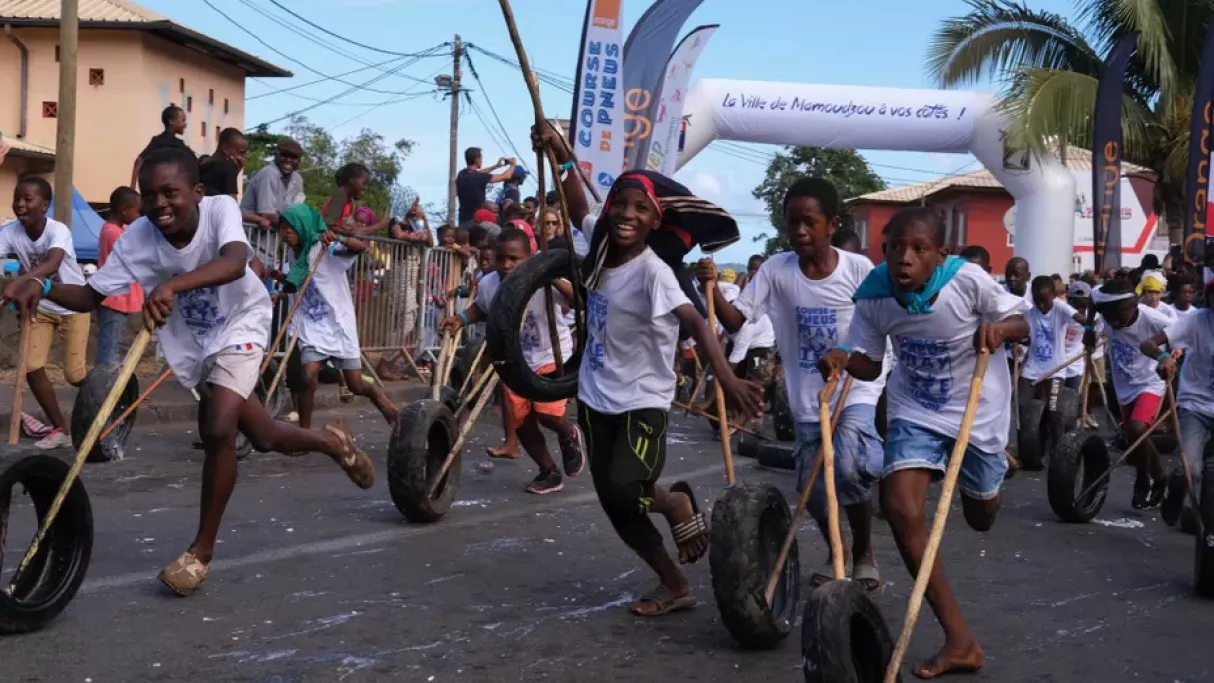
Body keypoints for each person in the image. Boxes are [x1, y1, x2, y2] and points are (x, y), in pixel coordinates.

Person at [12, 148, 375, 597]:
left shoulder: (220, 209)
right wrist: (42, 285)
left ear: (197, 193)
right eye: (150, 196)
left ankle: (199, 553)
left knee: (219, 426)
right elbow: (89, 297)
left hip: (242, 322)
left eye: (171, 193)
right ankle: (331, 441)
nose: (160, 204)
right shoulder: (136, 240)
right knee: (264, 437)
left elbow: (235, 261)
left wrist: (170, 285)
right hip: (194, 343)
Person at [818, 207, 1028, 678]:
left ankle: (995, 477)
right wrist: (842, 360)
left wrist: (999, 330)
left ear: (941, 255)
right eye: (894, 248)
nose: (904, 258)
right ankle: (960, 639)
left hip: (979, 412)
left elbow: (1023, 323)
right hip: (915, 410)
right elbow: (870, 363)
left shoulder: (967, 281)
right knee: (899, 507)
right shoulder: (873, 295)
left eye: (918, 250)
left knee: (981, 516)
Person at [579, 171, 762, 617]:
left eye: (641, 209)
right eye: (621, 204)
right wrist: (562, 158)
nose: (627, 214)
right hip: (592, 395)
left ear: (655, 221)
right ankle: (675, 584)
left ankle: (674, 502)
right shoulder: (600, 249)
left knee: (627, 489)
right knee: (616, 506)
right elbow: (576, 208)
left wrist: (727, 378)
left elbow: (698, 323)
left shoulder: (654, 273)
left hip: (641, 401)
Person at [702, 177, 886, 591]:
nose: (800, 231)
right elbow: (736, 322)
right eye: (792, 223)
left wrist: (854, 358)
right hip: (807, 394)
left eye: (809, 222)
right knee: (814, 489)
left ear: (831, 224)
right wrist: (708, 287)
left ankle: (863, 554)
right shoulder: (775, 269)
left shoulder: (859, 270)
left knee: (848, 465)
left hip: (855, 385)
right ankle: (836, 548)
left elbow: (883, 325)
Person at [441, 227, 585, 493]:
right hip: (516, 359)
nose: (507, 265)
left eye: (514, 259)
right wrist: (459, 320)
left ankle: (568, 433)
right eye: (501, 258)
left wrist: (550, 276)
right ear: (493, 257)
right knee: (520, 422)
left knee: (546, 414)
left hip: (551, 354)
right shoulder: (488, 283)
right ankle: (548, 471)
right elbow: (480, 309)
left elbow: (578, 301)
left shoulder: (541, 279)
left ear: (529, 258)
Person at [277, 205, 398, 429]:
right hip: (312, 325)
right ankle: (305, 432)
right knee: (308, 376)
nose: (286, 233)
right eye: (282, 229)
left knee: (355, 384)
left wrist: (339, 238)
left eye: (290, 227)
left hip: (338, 322)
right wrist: (277, 287)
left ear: (303, 226)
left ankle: (384, 404)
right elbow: (297, 283)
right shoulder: (293, 255)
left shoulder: (324, 246)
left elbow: (359, 248)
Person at [0, 177, 90, 449]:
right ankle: (60, 429)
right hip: (41, 307)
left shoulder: (57, 230)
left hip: (73, 305)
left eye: (28, 199)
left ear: (45, 205)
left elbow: (53, 263)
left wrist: (21, 282)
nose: (20, 205)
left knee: (75, 375)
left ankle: (107, 399)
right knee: (31, 367)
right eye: (17, 198)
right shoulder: (10, 232)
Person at [1089, 279, 1172, 509]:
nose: (1112, 322)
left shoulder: (1152, 318)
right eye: (1108, 317)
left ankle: (1152, 478)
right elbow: (1092, 299)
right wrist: (1088, 328)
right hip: (1124, 383)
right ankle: (1146, 476)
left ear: (1132, 307)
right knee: (1132, 438)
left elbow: (1181, 330)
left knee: (1137, 428)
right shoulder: (1104, 306)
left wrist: (1170, 355)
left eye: (1118, 317)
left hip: (1150, 381)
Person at [1142, 275, 1214, 530]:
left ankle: (1201, 515)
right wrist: (1164, 357)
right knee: (1189, 469)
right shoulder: (1196, 320)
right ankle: (1175, 490)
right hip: (1196, 403)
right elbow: (1148, 343)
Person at [95, 187, 145, 366]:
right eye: (137, 212)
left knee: (118, 350)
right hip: (115, 300)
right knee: (110, 353)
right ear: (124, 210)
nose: (139, 216)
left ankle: (115, 388)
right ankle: (103, 389)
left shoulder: (115, 231)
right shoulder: (114, 233)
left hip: (120, 300)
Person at [1020, 275, 1087, 393]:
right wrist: (1017, 343)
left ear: (1054, 296)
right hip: (1032, 368)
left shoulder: (1061, 307)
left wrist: (1091, 331)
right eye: (1037, 301)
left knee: (1055, 408)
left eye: (1044, 301)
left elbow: (1084, 322)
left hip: (1059, 368)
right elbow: (1022, 334)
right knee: (1023, 406)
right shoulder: (1029, 312)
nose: (1041, 305)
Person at [241, 138, 306, 229]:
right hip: (252, 235)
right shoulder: (268, 174)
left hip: (275, 237)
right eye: (284, 155)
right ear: (276, 155)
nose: (288, 160)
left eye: (293, 157)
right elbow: (267, 215)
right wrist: (294, 223)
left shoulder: (298, 179)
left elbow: (297, 211)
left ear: (299, 160)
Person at [323, 163, 391, 236]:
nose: (365, 188)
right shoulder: (340, 196)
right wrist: (378, 226)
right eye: (364, 183)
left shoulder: (349, 201)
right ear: (351, 181)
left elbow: (353, 230)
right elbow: (328, 226)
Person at [131, 104, 189, 189]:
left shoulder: (156, 141)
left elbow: (139, 161)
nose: (185, 124)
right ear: (171, 121)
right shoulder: (179, 145)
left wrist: (132, 187)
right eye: (182, 120)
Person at [455, 148, 516, 225]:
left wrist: (496, 166)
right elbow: (505, 177)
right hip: (476, 220)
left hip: (463, 220)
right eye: (481, 158)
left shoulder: (462, 174)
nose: (482, 161)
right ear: (477, 159)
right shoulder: (479, 177)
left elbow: (479, 173)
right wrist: (513, 165)